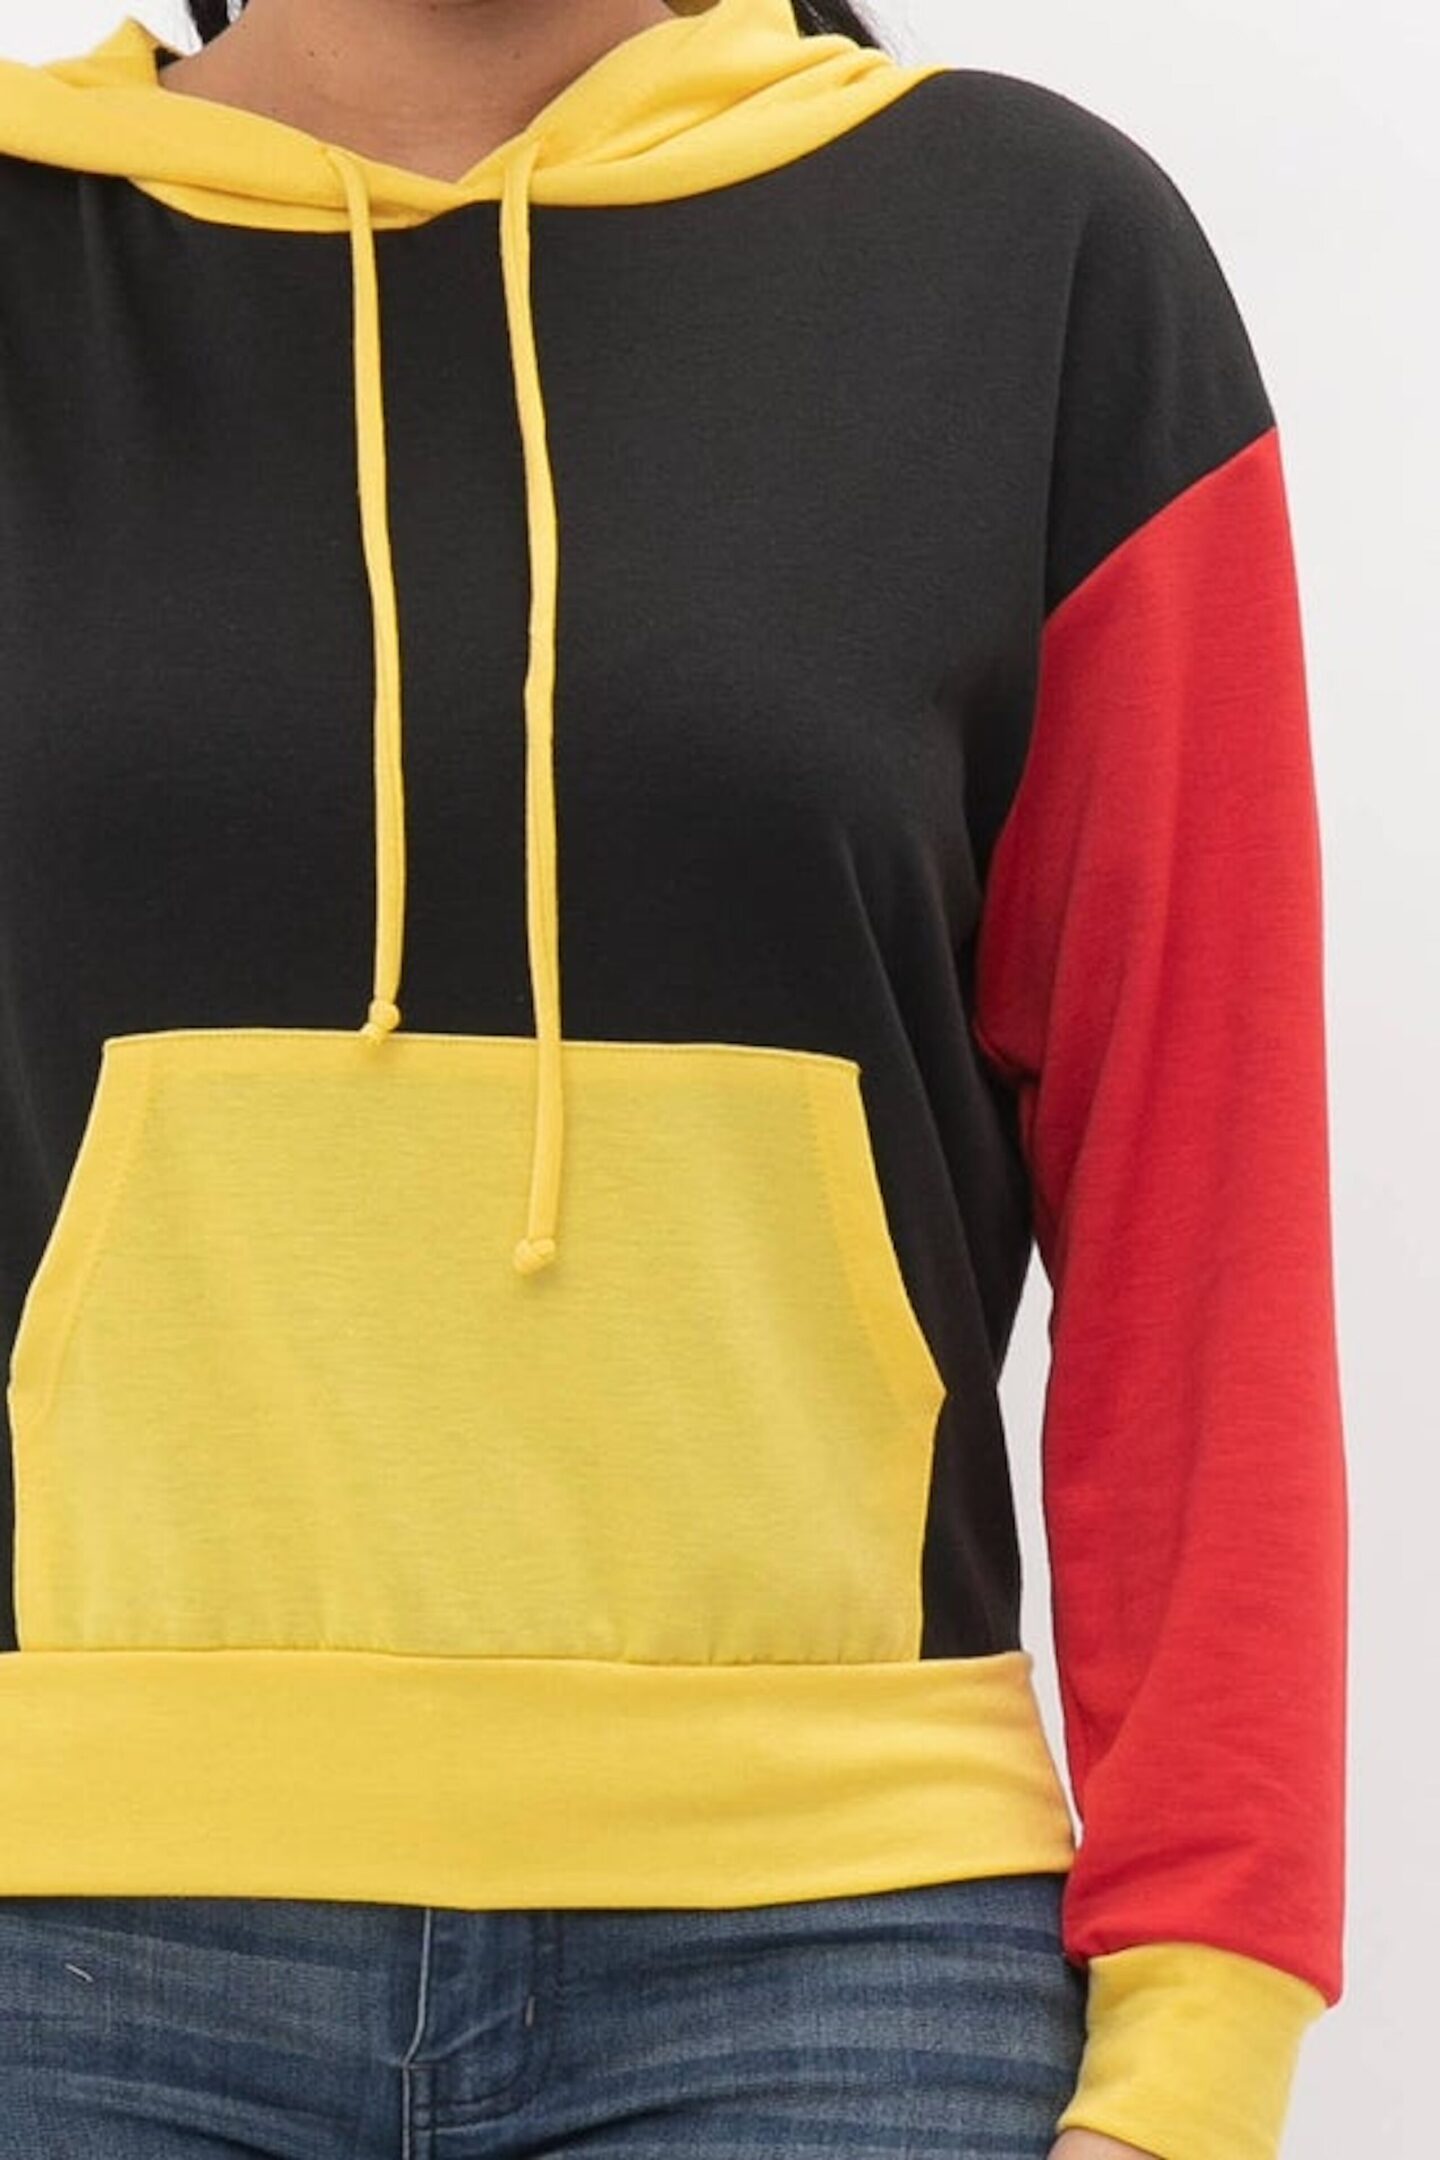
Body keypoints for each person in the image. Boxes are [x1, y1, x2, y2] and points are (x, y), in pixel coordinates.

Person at [0, 1, 1347, 2155]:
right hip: (57, 1946)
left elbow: (1206, 1213)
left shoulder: (1028, 256)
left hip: (832, 1951)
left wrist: (1198, 2054)